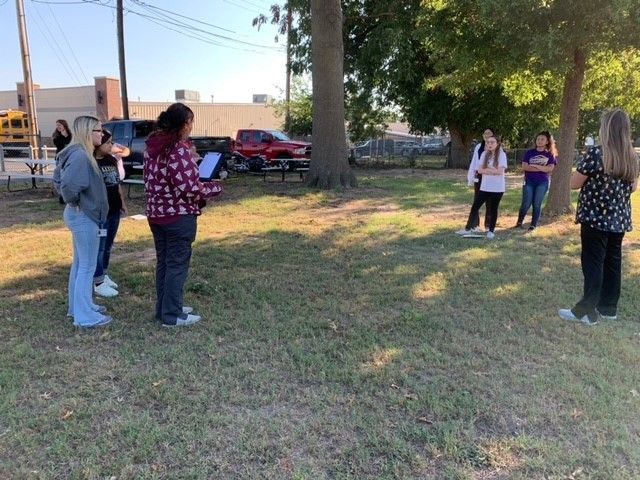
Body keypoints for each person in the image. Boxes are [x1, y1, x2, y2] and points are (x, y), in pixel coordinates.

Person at [144, 103, 223, 327]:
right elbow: (189, 189)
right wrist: (215, 188)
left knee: (165, 263)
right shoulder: (176, 150)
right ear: (184, 124)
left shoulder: (154, 147)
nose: (191, 126)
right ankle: (172, 315)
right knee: (177, 264)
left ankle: (166, 307)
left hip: (156, 214)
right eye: (190, 121)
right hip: (178, 216)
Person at [559, 109, 639, 326]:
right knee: (612, 262)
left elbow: (574, 183)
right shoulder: (631, 156)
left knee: (593, 263)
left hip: (595, 218)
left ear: (607, 129)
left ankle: (586, 311)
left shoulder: (596, 153)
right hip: (618, 220)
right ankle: (608, 308)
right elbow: (633, 187)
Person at [53, 116, 112, 328]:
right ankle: (84, 316)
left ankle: (80, 307)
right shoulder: (79, 155)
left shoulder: (79, 153)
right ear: (88, 131)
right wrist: (74, 201)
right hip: (83, 216)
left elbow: (58, 177)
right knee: (86, 266)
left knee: (81, 265)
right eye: (98, 130)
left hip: (82, 214)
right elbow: (67, 186)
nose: (102, 134)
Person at [93, 129, 128, 297]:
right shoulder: (92, 162)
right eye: (108, 143)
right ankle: (97, 281)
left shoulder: (111, 160)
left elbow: (117, 184)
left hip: (114, 209)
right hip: (101, 212)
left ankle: (104, 274)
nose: (111, 146)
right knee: (99, 247)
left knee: (108, 246)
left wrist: (122, 203)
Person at [462, 134, 508, 239]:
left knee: (493, 209)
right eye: (488, 142)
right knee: (475, 206)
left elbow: (500, 172)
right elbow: (479, 170)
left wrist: (487, 170)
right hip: (485, 187)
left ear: (497, 144)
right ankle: (468, 228)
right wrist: (491, 170)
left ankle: (491, 230)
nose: (489, 144)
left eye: (492, 142)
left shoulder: (501, 155)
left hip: (497, 188)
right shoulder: (484, 154)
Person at [515, 131, 557, 231]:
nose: (539, 141)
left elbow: (549, 169)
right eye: (538, 139)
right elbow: (525, 167)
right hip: (529, 182)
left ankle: (533, 225)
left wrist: (534, 165)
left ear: (547, 141)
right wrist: (542, 168)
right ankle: (519, 222)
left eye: (542, 139)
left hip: (542, 182)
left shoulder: (550, 155)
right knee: (526, 203)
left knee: (537, 204)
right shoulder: (530, 152)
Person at [457, 128, 495, 235]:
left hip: (491, 177)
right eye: (485, 133)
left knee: (490, 202)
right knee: (477, 202)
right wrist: (471, 177)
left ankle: (488, 225)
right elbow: (474, 162)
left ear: (493, 135)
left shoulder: (497, 147)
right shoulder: (479, 147)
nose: (487, 135)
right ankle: (473, 225)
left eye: (489, 133)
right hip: (479, 177)